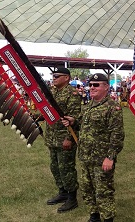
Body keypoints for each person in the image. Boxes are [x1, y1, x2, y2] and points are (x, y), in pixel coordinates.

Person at [63, 73, 125, 222]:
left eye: (96, 85)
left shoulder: (112, 107)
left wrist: (110, 157)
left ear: (106, 87)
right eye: (90, 85)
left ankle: (108, 218)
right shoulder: (88, 106)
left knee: (103, 191)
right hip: (85, 156)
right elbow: (84, 125)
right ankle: (94, 216)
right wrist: (73, 121)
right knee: (87, 189)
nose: (91, 87)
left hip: (101, 159)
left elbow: (117, 135)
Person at [44, 67, 82, 213]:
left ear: (66, 78)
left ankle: (72, 198)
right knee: (55, 167)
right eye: (53, 76)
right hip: (52, 137)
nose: (54, 78)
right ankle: (62, 192)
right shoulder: (52, 92)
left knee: (66, 168)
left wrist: (69, 139)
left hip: (65, 138)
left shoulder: (72, 94)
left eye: (57, 76)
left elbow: (74, 118)